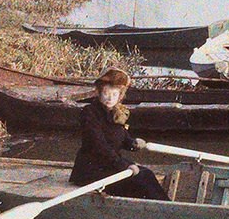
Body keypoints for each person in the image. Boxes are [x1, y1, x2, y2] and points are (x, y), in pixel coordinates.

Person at [69, 67, 169, 200]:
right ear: (99, 93)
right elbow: (99, 146)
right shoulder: (89, 113)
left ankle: (169, 207)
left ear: (120, 95)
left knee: (147, 174)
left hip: (109, 165)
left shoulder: (115, 112)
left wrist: (132, 143)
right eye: (106, 93)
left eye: (114, 94)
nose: (110, 98)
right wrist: (125, 165)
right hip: (91, 171)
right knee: (140, 180)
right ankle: (164, 211)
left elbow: (120, 136)